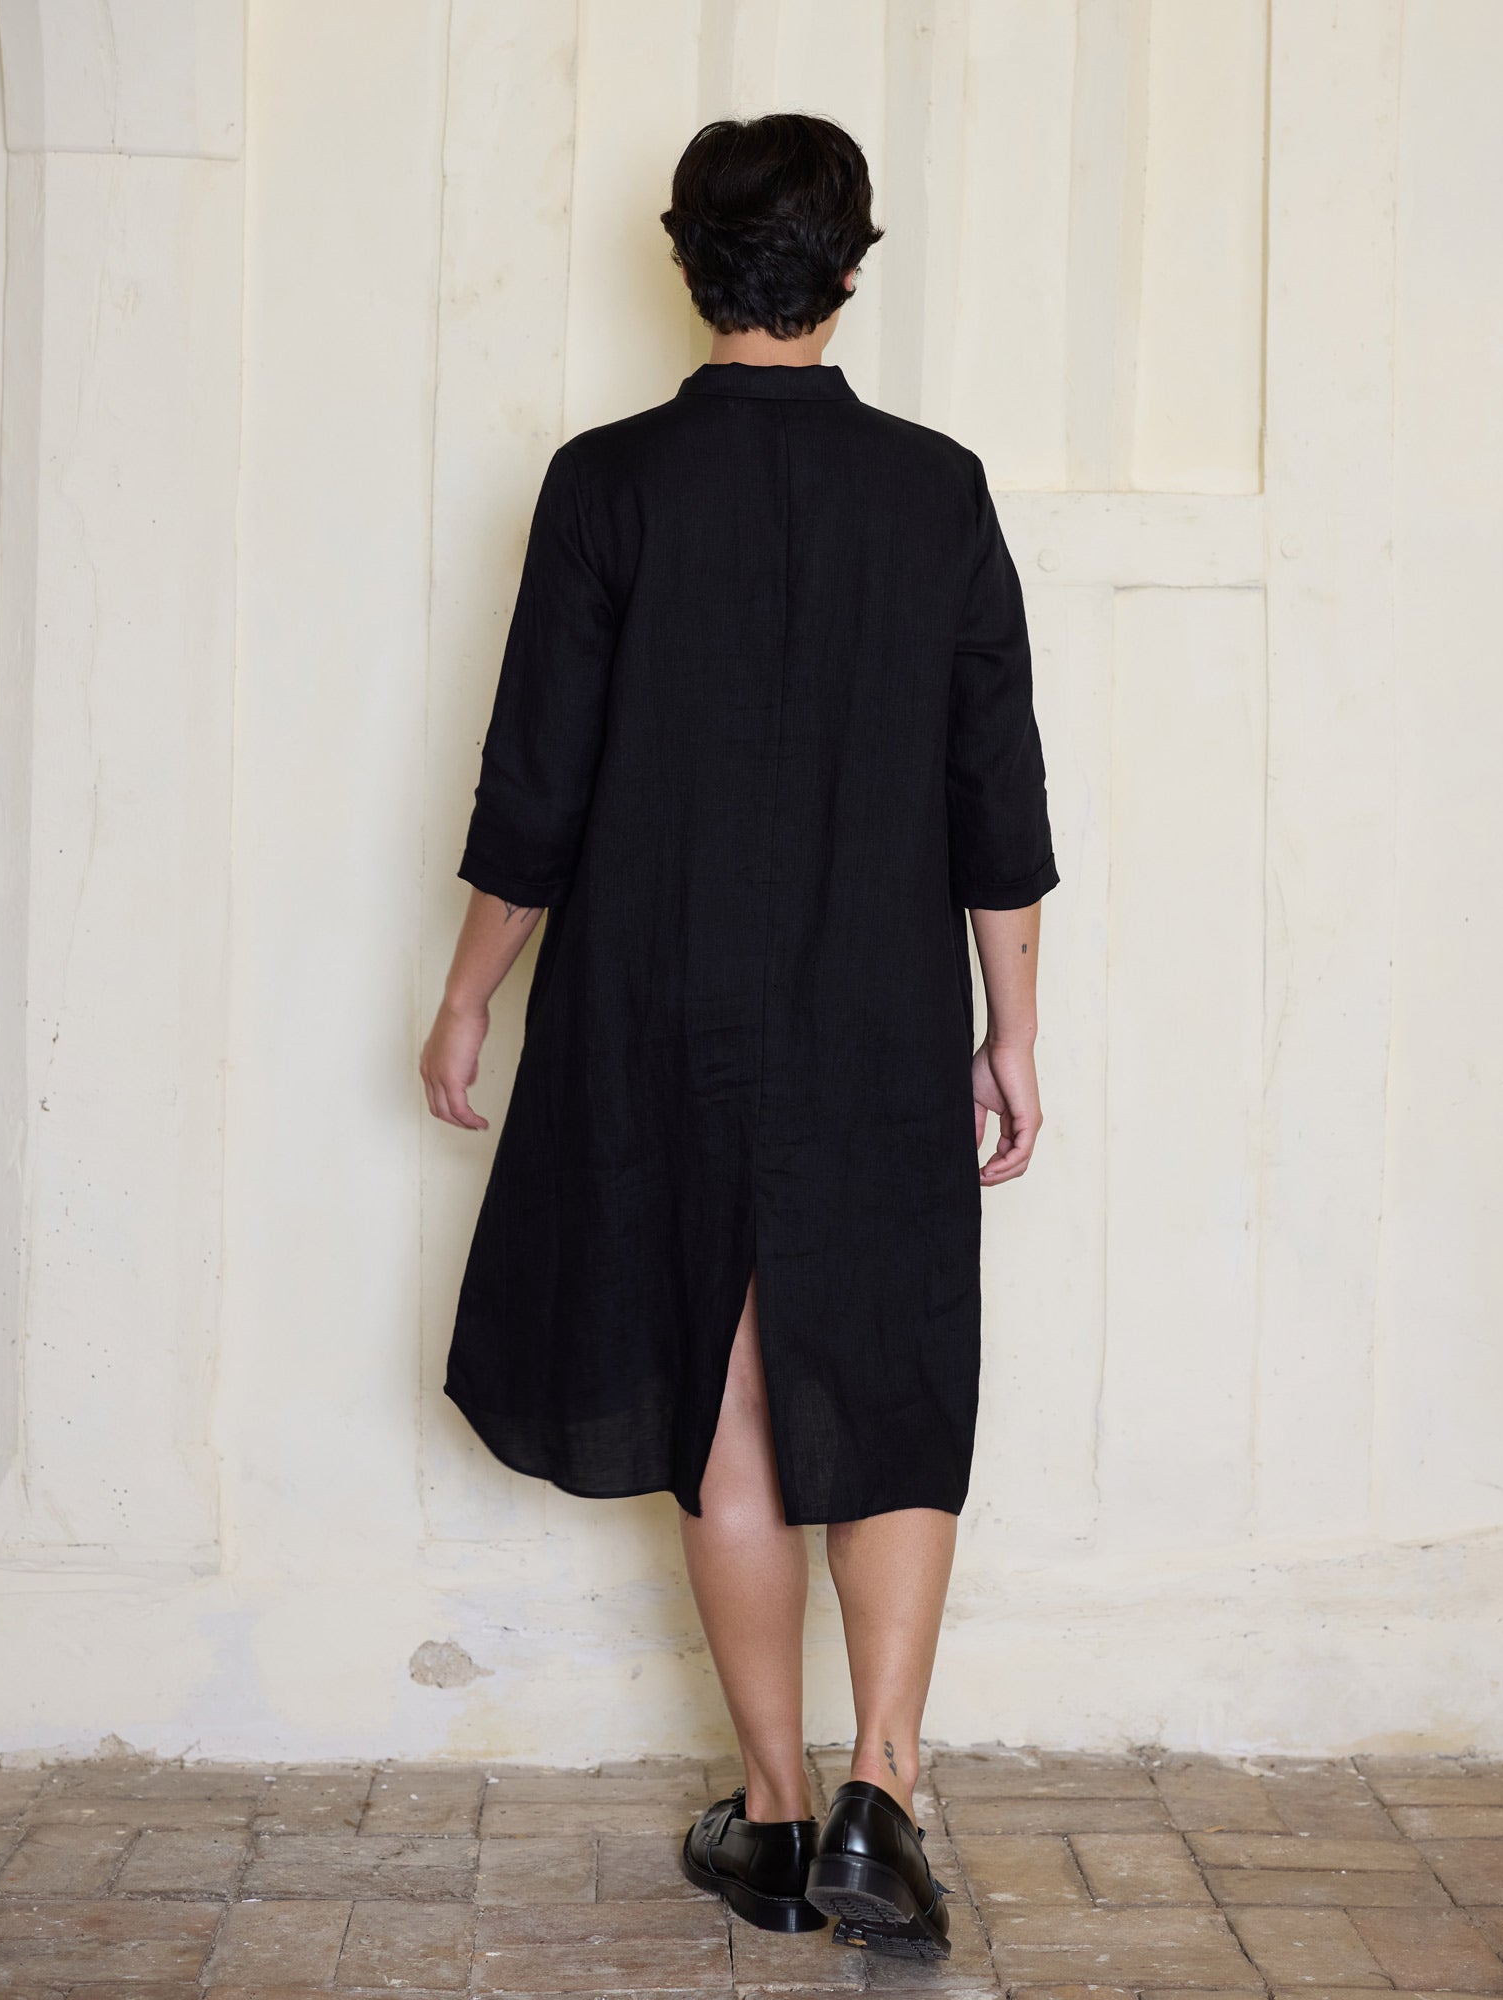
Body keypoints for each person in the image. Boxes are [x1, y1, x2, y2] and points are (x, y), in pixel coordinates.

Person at [420, 111, 1058, 1960]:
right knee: (896, 1368)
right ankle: (884, 1788)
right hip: (874, 995)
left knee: (736, 1387)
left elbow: (532, 788)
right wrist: (1013, 1031)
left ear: (689, 261)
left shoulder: (606, 483)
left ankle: (773, 1815)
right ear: (853, 267)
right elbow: (994, 792)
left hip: (656, 1000)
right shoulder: (935, 489)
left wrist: (469, 990)